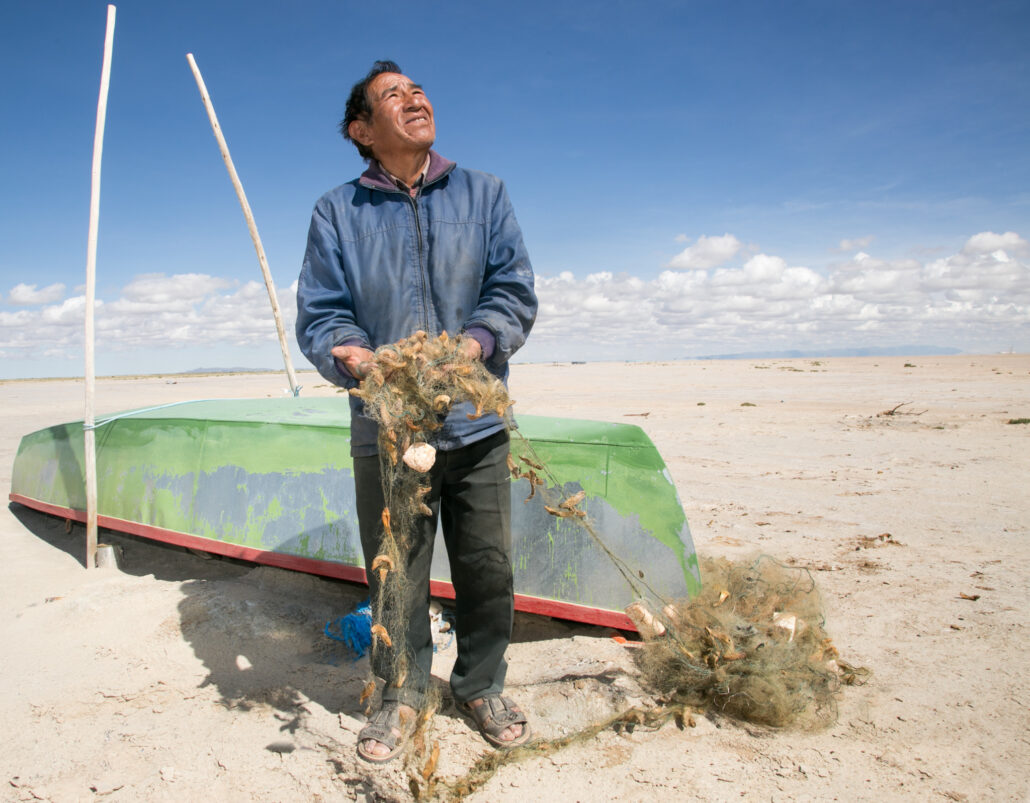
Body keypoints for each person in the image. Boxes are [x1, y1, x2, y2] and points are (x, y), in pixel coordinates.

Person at [295, 60, 537, 764]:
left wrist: (473, 345)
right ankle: (400, 692)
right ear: (362, 130)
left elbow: (512, 288)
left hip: (477, 422)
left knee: (488, 564)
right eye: (392, 96)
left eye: (418, 89)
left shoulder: (485, 193)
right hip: (388, 428)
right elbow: (322, 313)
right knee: (396, 570)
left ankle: (481, 683)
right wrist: (355, 356)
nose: (415, 99)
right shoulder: (336, 212)